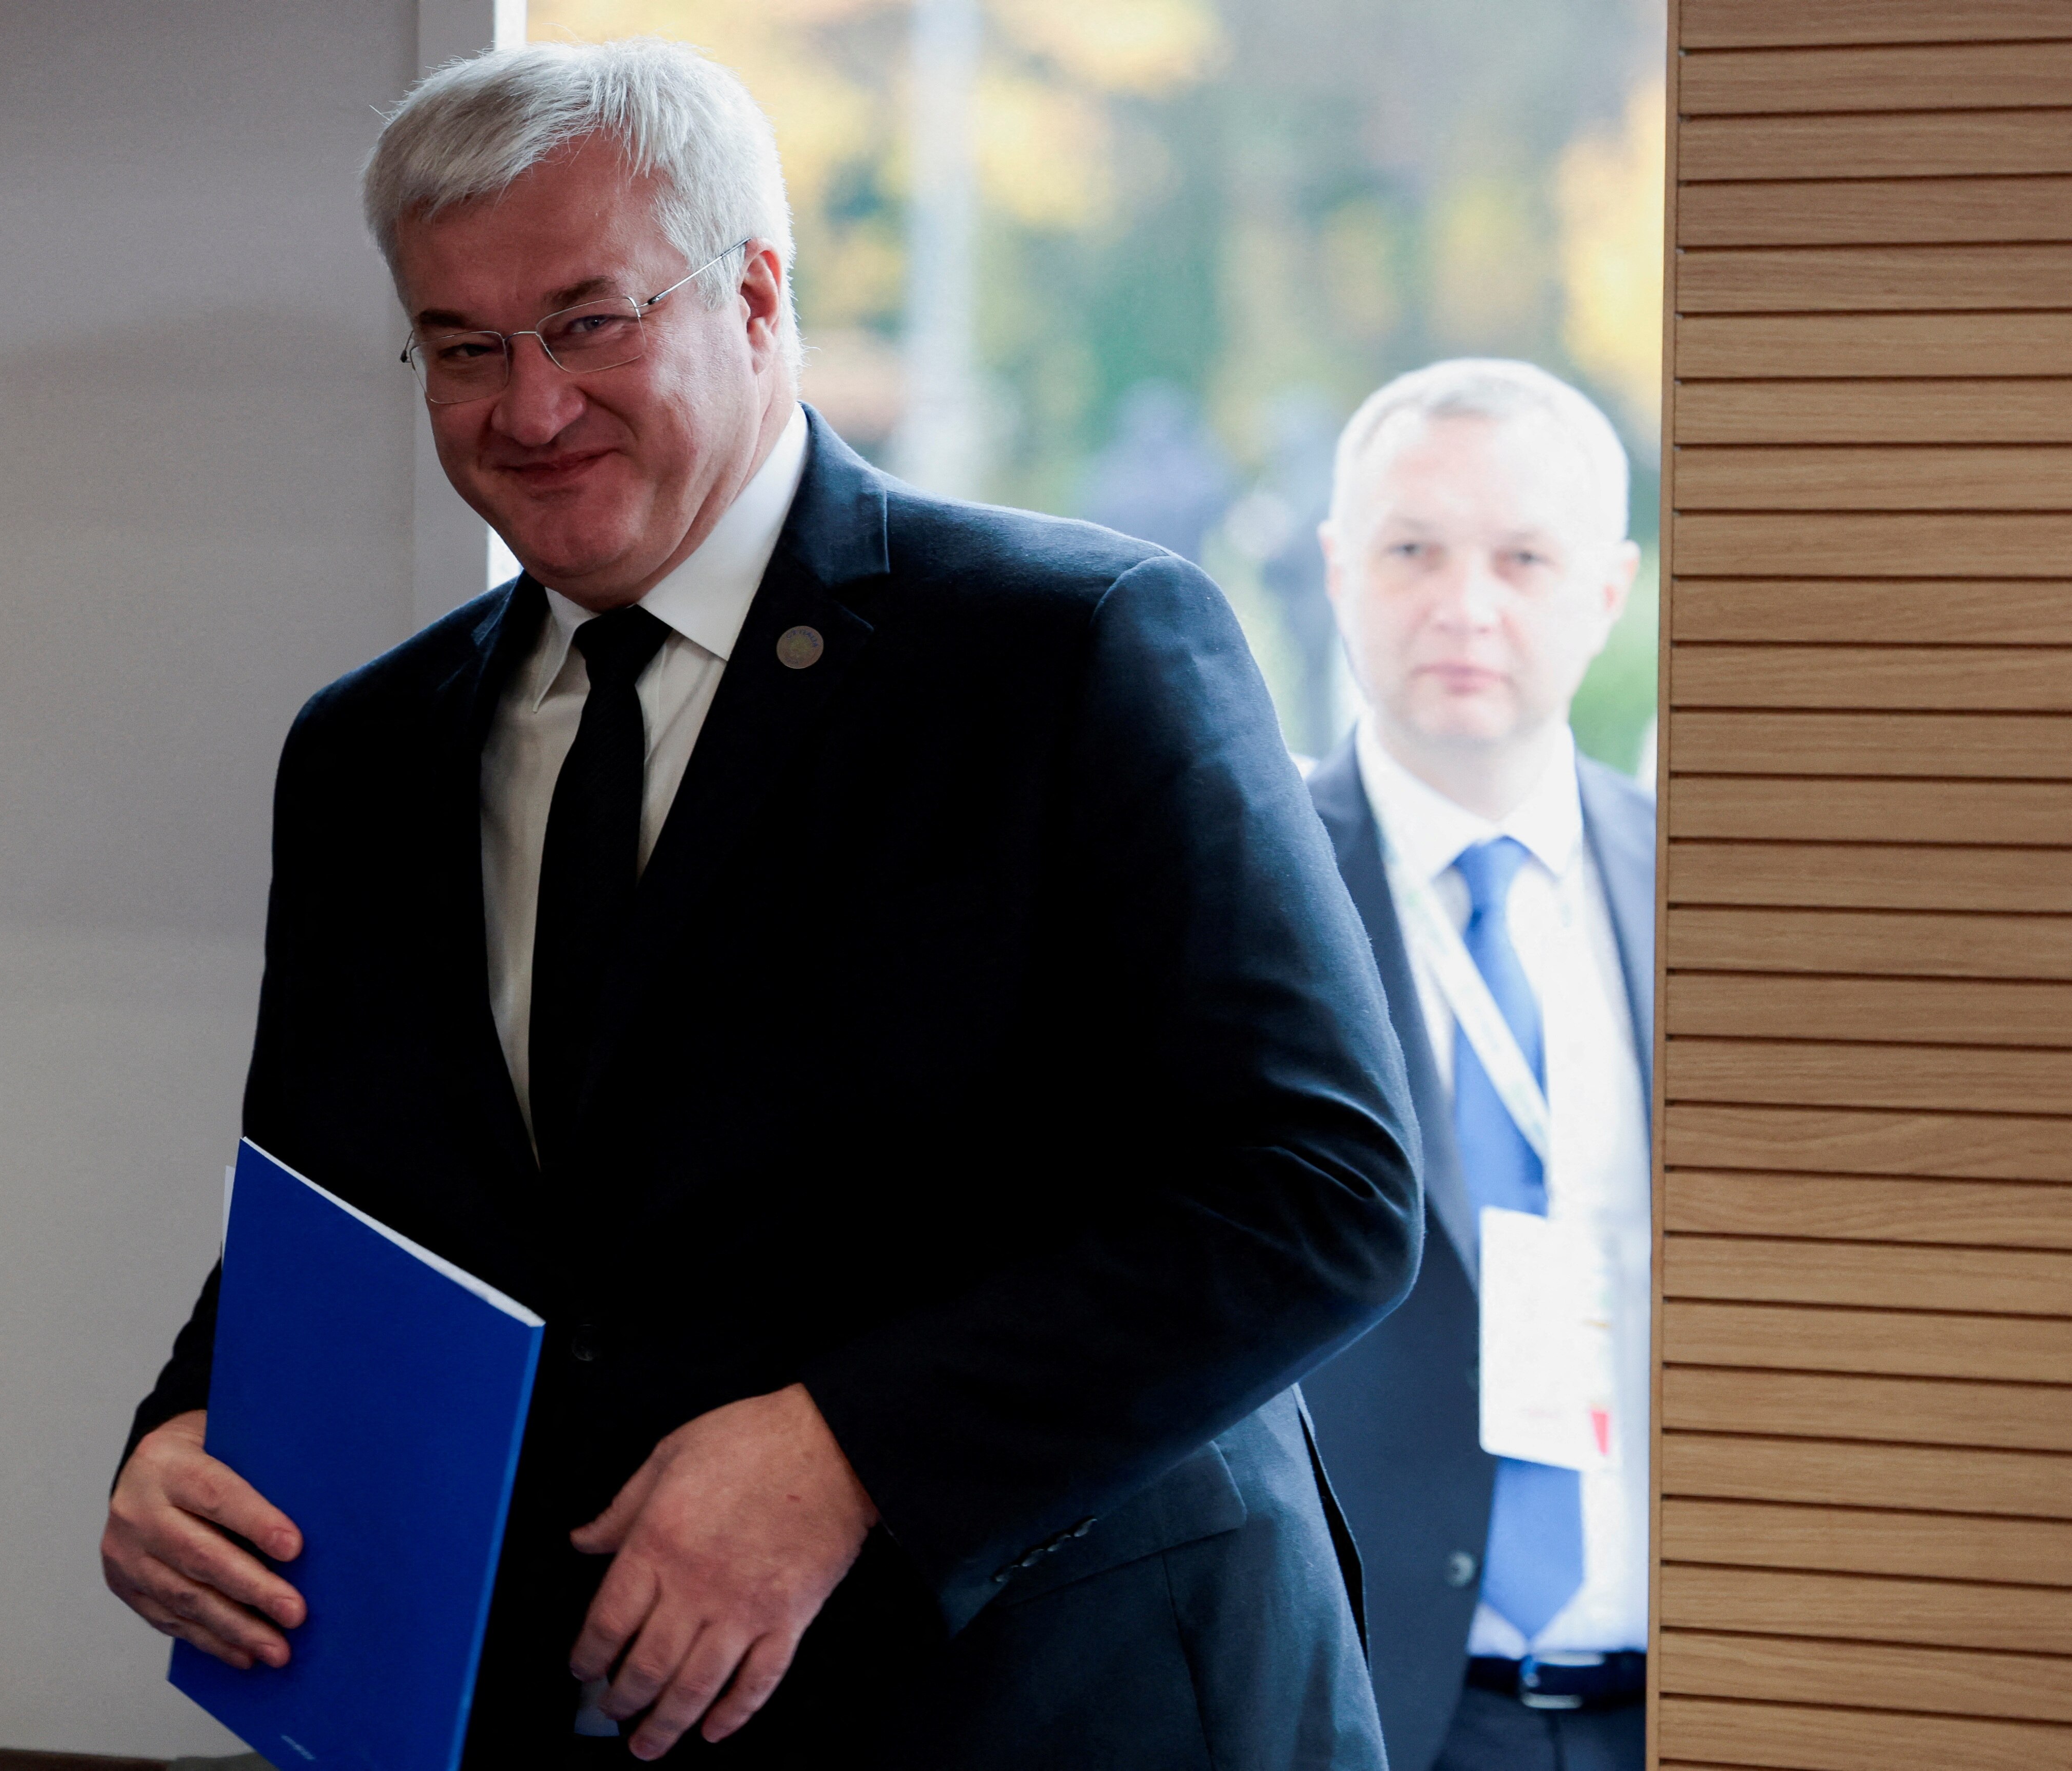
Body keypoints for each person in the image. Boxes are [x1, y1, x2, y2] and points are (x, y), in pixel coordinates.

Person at [101, 39, 1422, 1771]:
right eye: (462, 346)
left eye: (589, 320)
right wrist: (183, 1436)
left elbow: (1322, 1188)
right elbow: (347, 1209)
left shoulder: (1070, 649)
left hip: (1055, 1700)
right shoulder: (368, 752)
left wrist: (853, 1446)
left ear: (754, 293)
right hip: (574, 1715)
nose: (528, 404)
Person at [1297, 360, 1654, 1771]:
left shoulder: (1702, 890)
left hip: (1688, 1695)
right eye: (1411, 550)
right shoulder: (1239, 885)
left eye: (1522, 557)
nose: (1464, 603)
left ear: (1610, 589)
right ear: (1336, 568)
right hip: (1372, 1705)